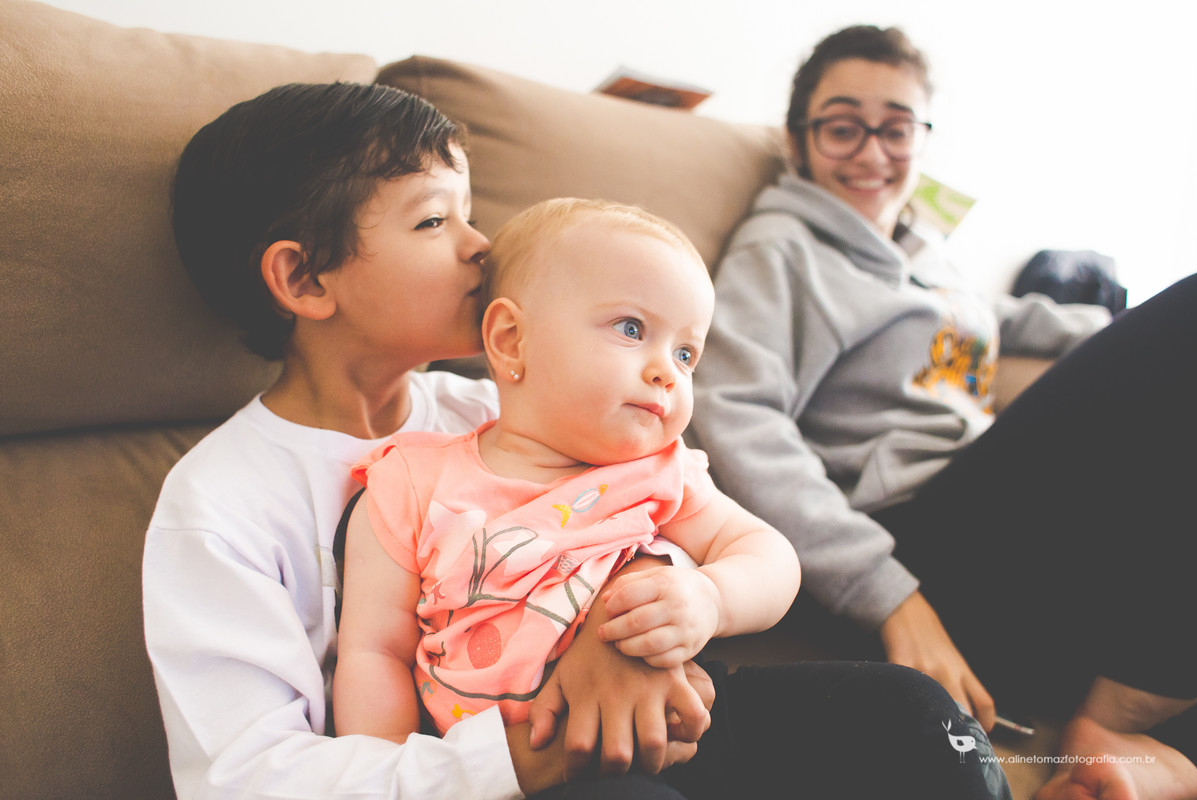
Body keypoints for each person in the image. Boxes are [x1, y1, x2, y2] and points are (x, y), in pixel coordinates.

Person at [334, 197, 1012, 800]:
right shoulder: (412, 481)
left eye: (687, 354)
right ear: (511, 341)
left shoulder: (666, 471)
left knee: (914, 713)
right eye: (631, 328)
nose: (667, 370)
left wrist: (710, 598)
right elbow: (374, 654)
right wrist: (397, 772)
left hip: (695, 721)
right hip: (535, 771)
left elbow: (767, 553)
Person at [145, 82, 711, 800]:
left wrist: (622, 622)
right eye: (435, 221)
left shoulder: (499, 412)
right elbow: (248, 777)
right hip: (500, 773)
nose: (482, 247)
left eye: (469, 216)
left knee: (889, 709)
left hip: (631, 728)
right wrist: (532, 754)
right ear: (305, 277)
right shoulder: (220, 504)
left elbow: (663, 507)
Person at [686, 24, 1197, 800]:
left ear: (921, 140)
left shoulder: (927, 257)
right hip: (918, 534)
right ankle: (1117, 711)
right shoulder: (782, 249)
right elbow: (737, 417)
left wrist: (1124, 347)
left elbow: (1004, 316)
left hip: (1006, 518)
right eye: (842, 124)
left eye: (895, 127)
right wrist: (891, 593)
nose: (870, 151)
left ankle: (1138, 754)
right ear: (800, 139)